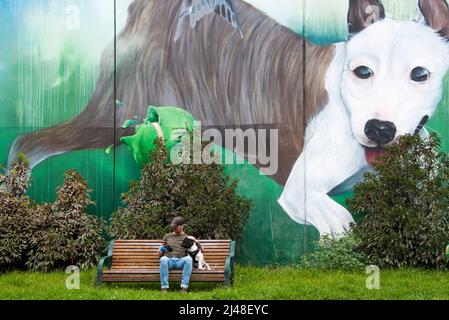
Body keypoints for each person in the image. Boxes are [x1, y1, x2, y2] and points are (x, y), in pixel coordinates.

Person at [159, 216, 204, 293]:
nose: (174, 228)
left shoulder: (187, 237)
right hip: (169, 260)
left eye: (176, 226)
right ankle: (164, 287)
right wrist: (161, 250)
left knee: (188, 259)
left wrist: (196, 241)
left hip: (181, 261)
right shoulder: (167, 236)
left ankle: (184, 287)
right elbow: (160, 254)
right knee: (163, 259)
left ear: (182, 226)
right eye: (173, 226)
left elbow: (202, 250)